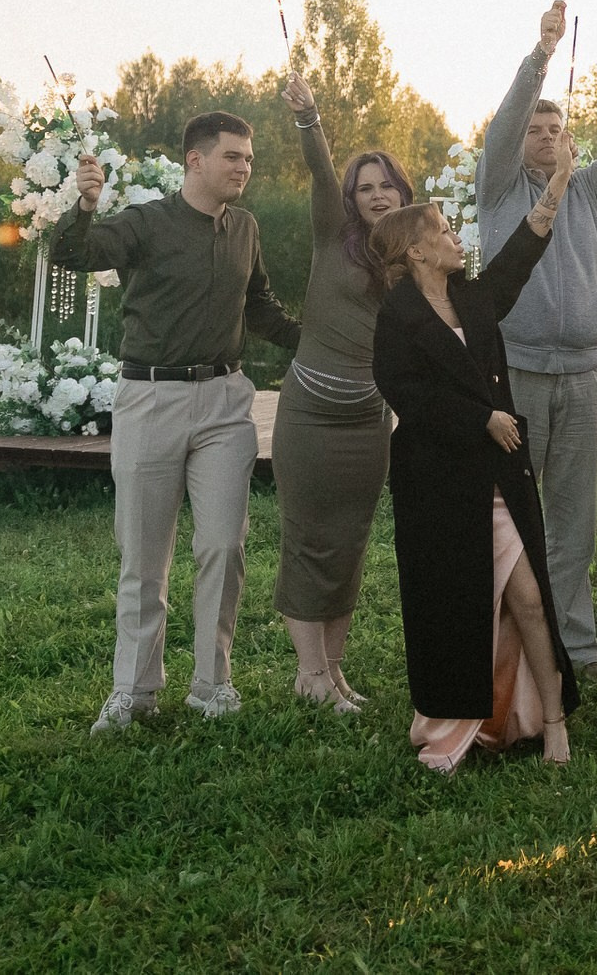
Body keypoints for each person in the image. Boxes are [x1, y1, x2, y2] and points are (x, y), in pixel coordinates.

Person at [61, 112, 300, 735]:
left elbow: (261, 307)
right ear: (195, 160)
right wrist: (85, 204)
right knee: (145, 558)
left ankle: (212, 684)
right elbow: (75, 253)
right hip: (149, 400)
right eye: (232, 157)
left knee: (224, 545)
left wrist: (323, 344)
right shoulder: (147, 222)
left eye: (248, 158)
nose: (244, 167)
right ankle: (133, 692)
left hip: (225, 402)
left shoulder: (245, 227)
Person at [370, 157, 579, 773]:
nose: (454, 235)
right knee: (453, 608)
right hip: (438, 487)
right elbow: (402, 391)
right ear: (416, 251)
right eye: (442, 229)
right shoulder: (398, 316)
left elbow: (518, 260)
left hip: (498, 479)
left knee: (532, 600)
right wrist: (479, 417)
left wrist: (556, 191)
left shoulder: (474, 296)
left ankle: (553, 719)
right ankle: (452, 727)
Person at [477, 0, 597, 684]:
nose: (544, 134)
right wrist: (541, 54)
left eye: (555, 126)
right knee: (509, 520)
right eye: (535, 127)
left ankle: (575, 649)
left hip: (583, 379)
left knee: (573, 523)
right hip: (513, 375)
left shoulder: (592, 191)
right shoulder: (497, 189)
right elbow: (501, 126)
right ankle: (503, 648)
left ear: (568, 137)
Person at [271, 73, 412, 715]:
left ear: (402, 193)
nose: (376, 195)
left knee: (350, 540)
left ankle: (335, 671)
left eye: (386, 185)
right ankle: (309, 675)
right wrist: (310, 118)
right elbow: (321, 175)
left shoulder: (414, 256)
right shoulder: (334, 235)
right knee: (308, 537)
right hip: (310, 415)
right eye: (366, 187)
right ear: (352, 199)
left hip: (366, 421)